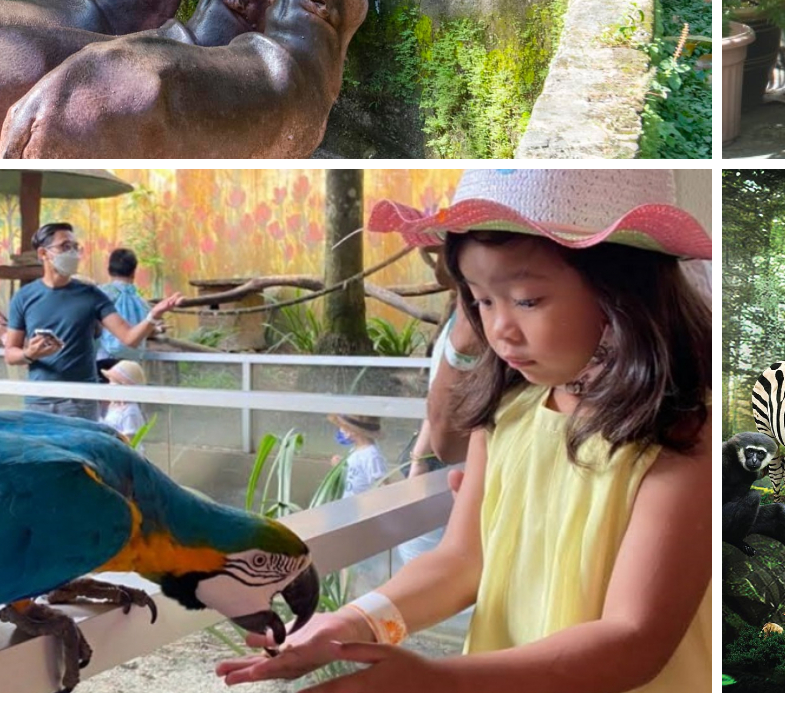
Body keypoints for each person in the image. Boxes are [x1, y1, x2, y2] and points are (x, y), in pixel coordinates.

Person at [215, 169, 711, 692]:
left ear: (621, 292)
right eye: (481, 300)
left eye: (526, 300)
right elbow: (460, 562)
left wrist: (440, 682)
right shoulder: (508, 414)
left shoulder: (681, 437)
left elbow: (635, 639)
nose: (499, 329)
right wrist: (352, 625)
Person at [0, 223, 181, 421]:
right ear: (43, 253)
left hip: (80, 400)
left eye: (75, 247)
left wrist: (154, 315)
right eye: (65, 246)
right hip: (38, 399)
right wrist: (29, 354)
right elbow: (10, 354)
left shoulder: (91, 295)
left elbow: (129, 338)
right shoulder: (24, 297)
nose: (72, 253)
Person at [97, 247, 153, 364]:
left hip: (102, 358)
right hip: (130, 365)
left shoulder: (99, 294)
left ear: (109, 270)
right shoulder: (141, 303)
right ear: (133, 272)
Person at [332, 413, 389, 497]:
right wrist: (342, 467)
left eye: (343, 427)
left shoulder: (371, 456)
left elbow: (382, 485)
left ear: (353, 431)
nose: (341, 430)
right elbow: (355, 474)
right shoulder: (356, 450)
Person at [102, 360, 148, 441]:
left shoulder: (130, 411)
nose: (109, 385)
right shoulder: (114, 407)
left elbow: (131, 438)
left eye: (113, 382)